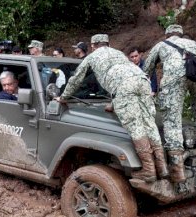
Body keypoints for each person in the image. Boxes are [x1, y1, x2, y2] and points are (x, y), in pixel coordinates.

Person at [56, 34, 169, 182]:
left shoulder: (92, 56)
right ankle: (162, 167)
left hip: (124, 87)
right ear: (108, 44)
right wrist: (114, 104)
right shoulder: (119, 53)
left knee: (135, 126)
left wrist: (64, 97)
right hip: (142, 80)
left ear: (92, 46)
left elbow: (76, 79)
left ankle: (148, 170)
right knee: (149, 122)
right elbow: (125, 76)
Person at [143, 24, 196, 182]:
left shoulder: (161, 45)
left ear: (167, 35)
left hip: (175, 77)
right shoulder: (193, 44)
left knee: (172, 119)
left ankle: (178, 171)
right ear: (181, 34)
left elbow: (146, 70)